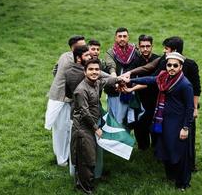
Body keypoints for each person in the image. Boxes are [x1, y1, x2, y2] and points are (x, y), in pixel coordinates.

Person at [122, 36, 201, 171]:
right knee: (170, 136)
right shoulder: (166, 62)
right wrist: (131, 82)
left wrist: (194, 108)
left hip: (185, 108)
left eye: (166, 49)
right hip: (168, 108)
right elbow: (155, 78)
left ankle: (189, 165)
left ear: (174, 50)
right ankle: (170, 163)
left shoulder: (190, 65)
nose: (164, 51)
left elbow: (196, 89)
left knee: (187, 137)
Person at [125, 52, 194, 191]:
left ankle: (183, 182)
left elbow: (190, 108)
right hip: (164, 121)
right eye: (169, 65)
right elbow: (150, 79)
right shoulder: (164, 77)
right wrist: (131, 80)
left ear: (181, 67)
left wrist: (185, 128)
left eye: (175, 65)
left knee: (179, 152)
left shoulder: (185, 84)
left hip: (178, 123)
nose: (172, 68)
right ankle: (172, 176)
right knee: (166, 149)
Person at [70, 58, 124, 194]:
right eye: (91, 69)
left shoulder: (97, 82)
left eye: (96, 69)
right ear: (85, 71)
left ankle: (82, 182)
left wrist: (120, 79)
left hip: (92, 124)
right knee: (86, 158)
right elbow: (84, 112)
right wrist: (96, 128)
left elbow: (108, 80)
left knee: (88, 157)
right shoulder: (81, 90)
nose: (94, 72)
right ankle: (85, 188)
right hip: (83, 127)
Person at [45, 35, 85, 166]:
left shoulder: (64, 55)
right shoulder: (73, 62)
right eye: (83, 45)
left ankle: (63, 155)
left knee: (62, 129)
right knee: (62, 130)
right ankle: (62, 160)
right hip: (61, 100)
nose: (86, 48)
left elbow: (54, 70)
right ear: (74, 48)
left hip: (60, 96)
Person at [104, 27, 142, 126]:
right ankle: (117, 140)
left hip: (132, 89)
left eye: (124, 36)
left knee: (130, 119)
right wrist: (116, 81)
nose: (122, 39)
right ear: (115, 38)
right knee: (117, 119)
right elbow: (111, 66)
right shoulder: (111, 52)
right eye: (119, 36)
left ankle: (126, 139)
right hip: (116, 91)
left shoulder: (134, 51)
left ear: (128, 37)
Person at [133, 34, 160, 150]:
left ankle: (156, 147)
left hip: (156, 98)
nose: (145, 49)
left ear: (152, 46)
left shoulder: (158, 60)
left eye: (147, 46)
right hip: (140, 98)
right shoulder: (135, 61)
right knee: (139, 125)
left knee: (155, 124)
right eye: (142, 46)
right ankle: (143, 147)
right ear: (138, 47)